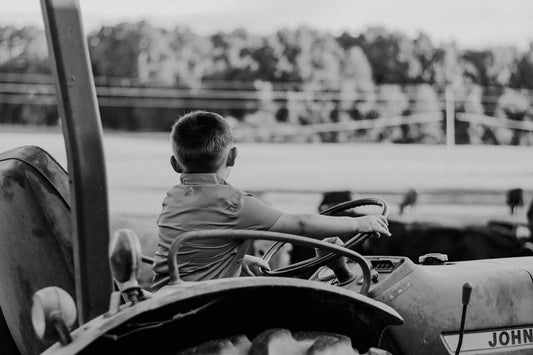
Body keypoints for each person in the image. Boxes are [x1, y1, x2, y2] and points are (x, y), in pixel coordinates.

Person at [151, 111, 390, 291]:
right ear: (233, 156)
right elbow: (301, 225)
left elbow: (192, 252)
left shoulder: (171, 198)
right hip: (205, 308)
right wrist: (358, 225)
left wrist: (239, 258)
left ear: (174, 163)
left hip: (164, 300)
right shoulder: (236, 204)